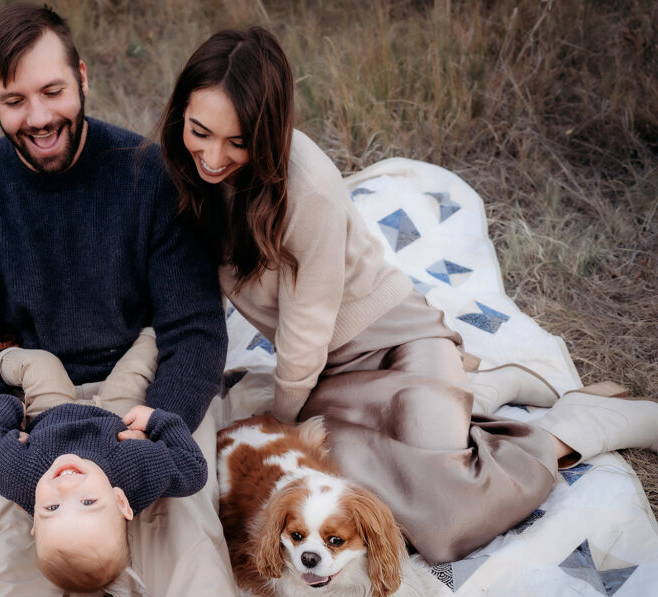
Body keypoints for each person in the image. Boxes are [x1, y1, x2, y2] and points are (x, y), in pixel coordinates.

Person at [158, 26, 658, 565]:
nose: (212, 156)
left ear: (272, 129)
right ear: (180, 115)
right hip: (327, 377)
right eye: (200, 131)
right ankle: (479, 391)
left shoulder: (307, 189)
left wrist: (287, 426)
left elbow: (306, 327)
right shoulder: (181, 172)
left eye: (238, 142)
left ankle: (575, 424)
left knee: (447, 514)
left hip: (393, 343)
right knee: (364, 493)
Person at [0, 5, 253, 597]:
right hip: (36, 413)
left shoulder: (151, 175)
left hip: (143, 400)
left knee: (197, 568)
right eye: (14, 101)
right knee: (6, 596)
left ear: (81, 76)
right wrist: (2, 447)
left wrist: (162, 427)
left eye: (52, 92)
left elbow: (193, 329)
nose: (38, 118)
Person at [0, 330, 208, 594]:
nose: (66, 488)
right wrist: (156, 421)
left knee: (41, 364)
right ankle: (153, 330)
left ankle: (3, 356)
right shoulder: (133, 468)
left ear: (34, 520)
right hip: (116, 417)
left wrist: (9, 407)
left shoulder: (20, 474)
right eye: (88, 502)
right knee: (137, 366)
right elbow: (193, 468)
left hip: (52, 412)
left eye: (51, 507)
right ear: (120, 501)